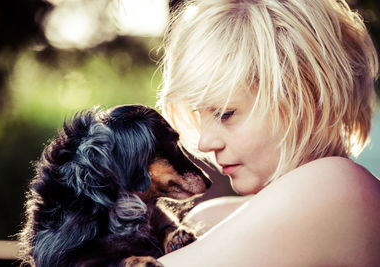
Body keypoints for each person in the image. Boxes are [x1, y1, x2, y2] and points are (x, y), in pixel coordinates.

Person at [156, 0, 380, 265]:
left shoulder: (337, 185)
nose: (204, 142)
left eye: (225, 113)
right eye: (199, 115)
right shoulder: (206, 218)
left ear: (304, 94)